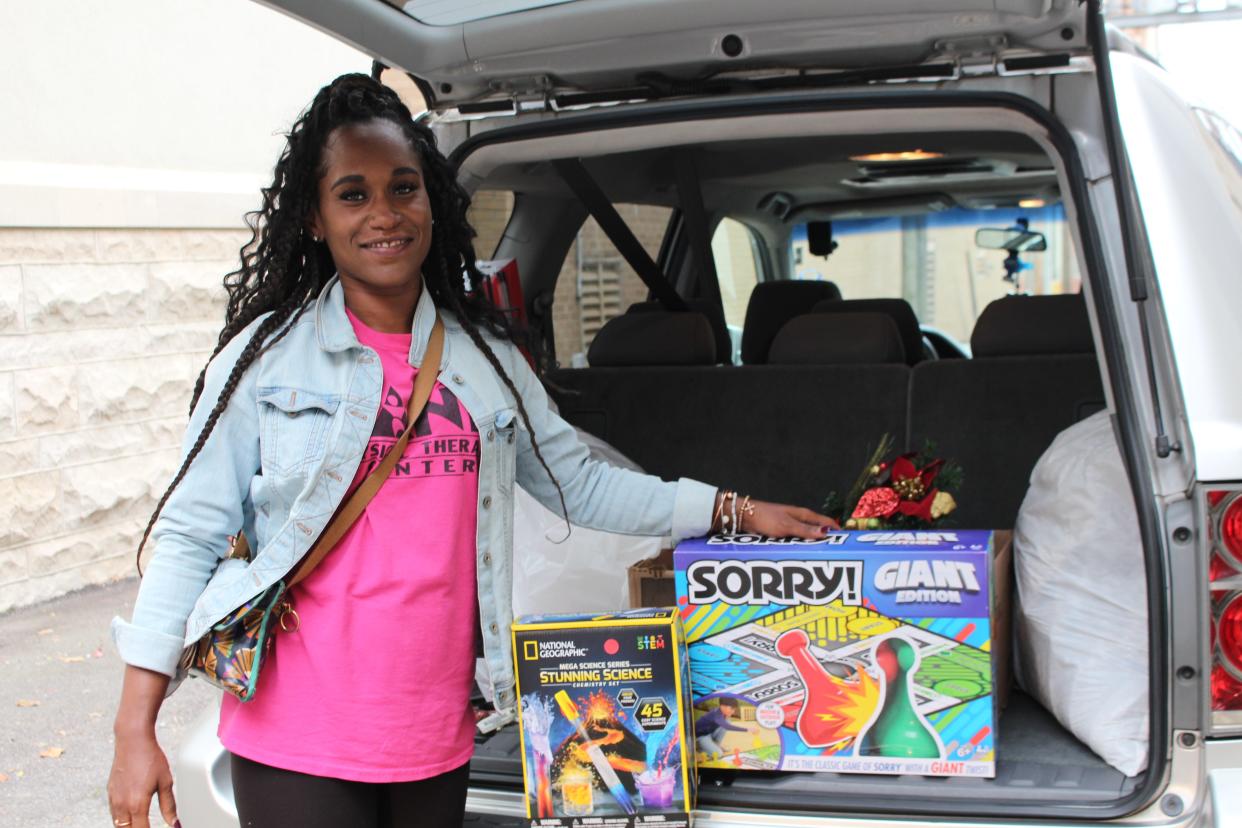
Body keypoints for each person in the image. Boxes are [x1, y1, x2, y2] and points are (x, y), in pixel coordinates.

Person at [105, 73, 836, 828]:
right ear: (316, 219)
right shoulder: (264, 363)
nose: (384, 214)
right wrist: (137, 729)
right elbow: (190, 537)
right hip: (296, 736)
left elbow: (579, 484)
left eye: (404, 188)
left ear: (432, 203)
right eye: (353, 194)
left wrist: (734, 509)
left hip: (436, 734)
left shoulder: (485, 362)